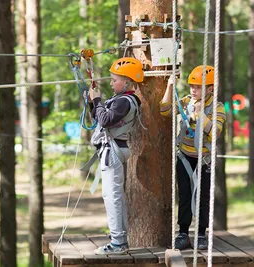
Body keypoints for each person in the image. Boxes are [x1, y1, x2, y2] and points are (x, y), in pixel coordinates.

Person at [160, 65, 226, 250]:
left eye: (198, 87)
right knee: (185, 195)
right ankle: (183, 232)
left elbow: (215, 132)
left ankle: (201, 233)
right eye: (191, 86)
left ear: (211, 88)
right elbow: (165, 111)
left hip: (203, 158)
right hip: (185, 157)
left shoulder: (217, 107)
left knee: (203, 196)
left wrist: (199, 115)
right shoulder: (186, 101)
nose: (193, 90)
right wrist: (170, 87)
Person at [83, 57, 144, 255]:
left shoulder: (124, 102)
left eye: (114, 79)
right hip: (114, 149)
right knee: (113, 196)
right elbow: (100, 118)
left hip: (114, 151)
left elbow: (107, 120)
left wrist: (98, 100)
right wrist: (93, 103)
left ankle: (118, 242)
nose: (110, 83)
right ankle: (119, 239)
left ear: (126, 82)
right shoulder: (121, 101)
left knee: (112, 196)